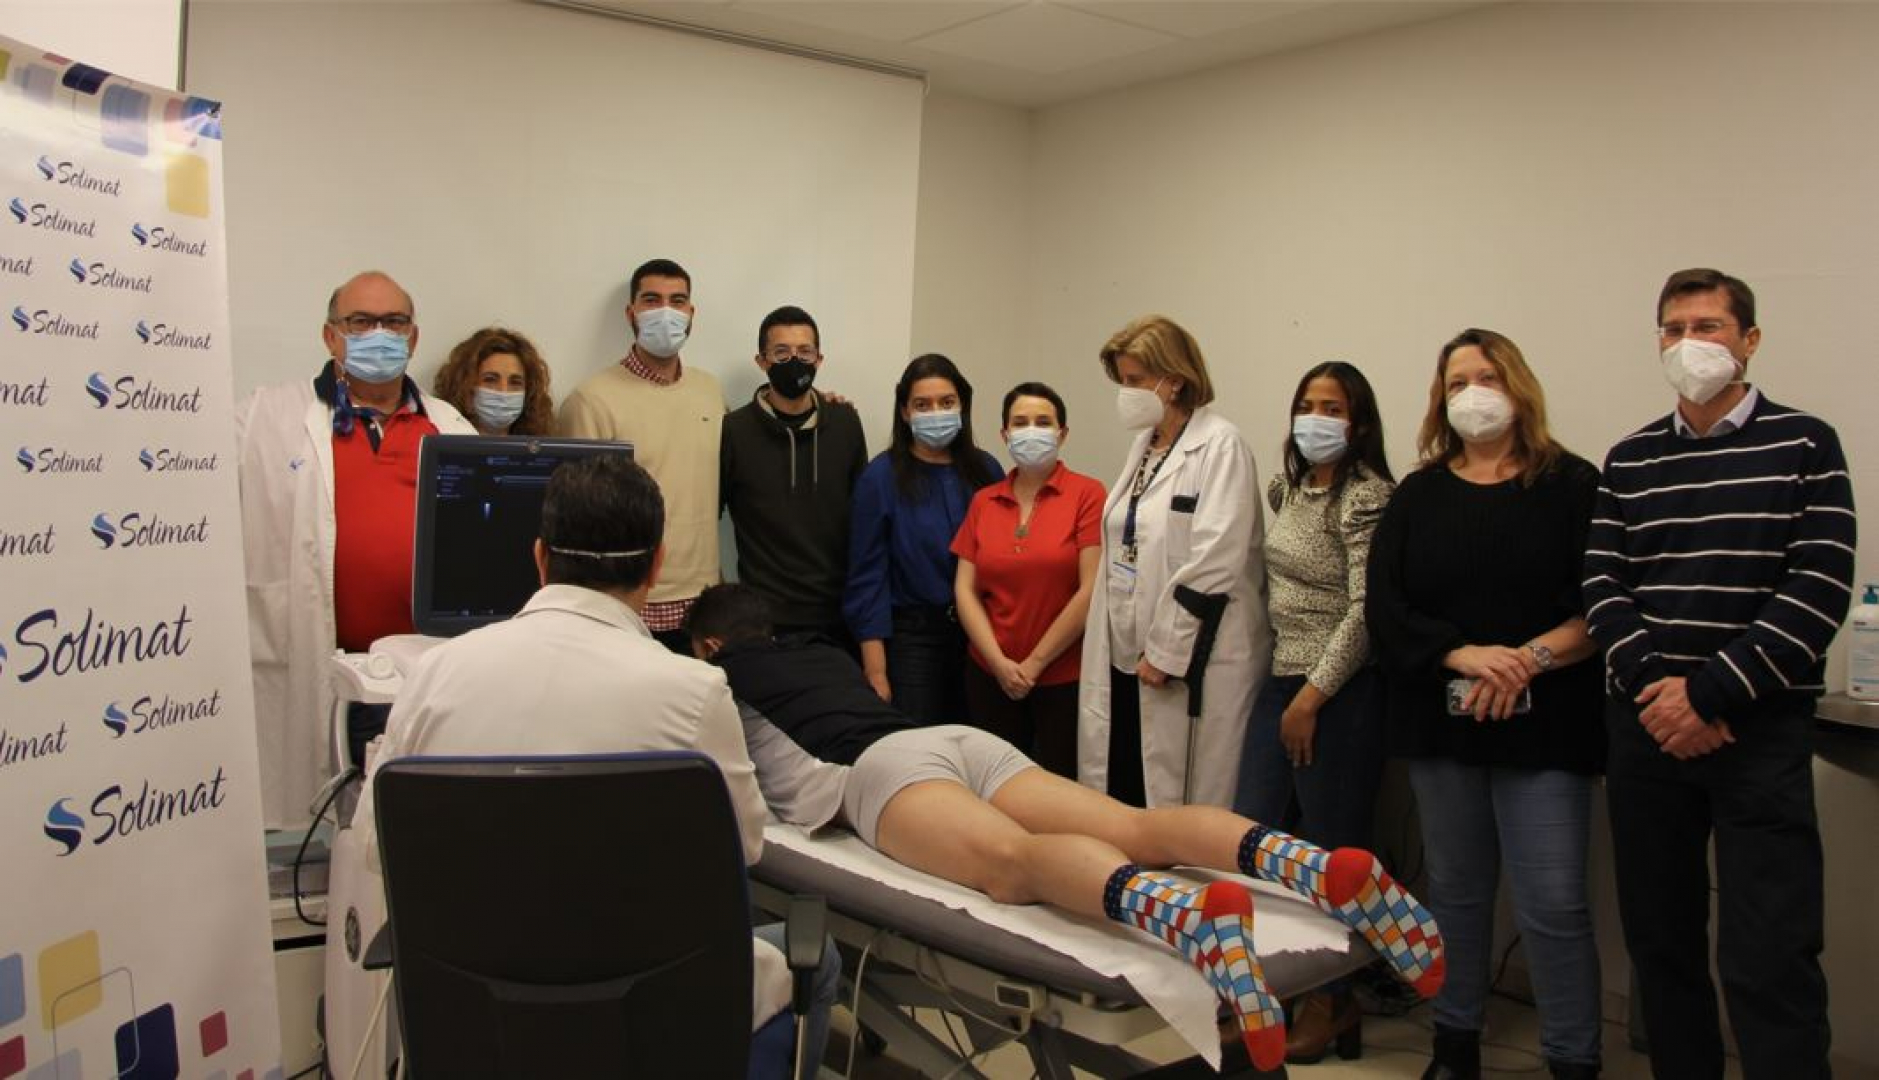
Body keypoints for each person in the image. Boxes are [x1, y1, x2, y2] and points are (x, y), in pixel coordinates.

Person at [688, 583, 1446, 1074]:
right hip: (954, 739)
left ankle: (1187, 918)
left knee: (1011, 863)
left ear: (711, 646)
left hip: (879, 772)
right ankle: (1315, 869)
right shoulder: (820, 652)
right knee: (1136, 824)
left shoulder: (717, 678)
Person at [355, 456, 841, 1079]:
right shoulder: (693, 692)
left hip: (482, 1017)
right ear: (657, 565)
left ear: (539, 556)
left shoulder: (434, 677)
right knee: (817, 958)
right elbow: (742, 848)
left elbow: (376, 846)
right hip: (649, 1013)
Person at [1583, 269, 1853, 1080]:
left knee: (1769, 948)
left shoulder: (1804, 443)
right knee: (1659, 944)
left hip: (1756, 730)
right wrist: (1659, 695)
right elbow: (1602, 587)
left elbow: (1817, 587)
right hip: (1645, 731)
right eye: (1672, 329)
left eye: (1706, 327)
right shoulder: (1628, 458)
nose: (1688, 343)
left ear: (1749, 340)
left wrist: (1705, 695)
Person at [1365, 329, 1604, 1080]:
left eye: (1488, 377)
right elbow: (1385, 606)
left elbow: (1603, 605)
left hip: (1549, 728)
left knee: (1553, 905)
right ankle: (1453, 1043)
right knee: (1456, 895)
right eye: (1457, 382)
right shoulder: (1418, 495)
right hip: (1444, 728)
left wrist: (1527, 660)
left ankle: (1572, 1059)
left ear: (1518, 386)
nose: (1473, 394)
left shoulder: (1573, 485)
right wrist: (1462, 654)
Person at [236, 269, 476, 828]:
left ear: (413, 336)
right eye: (361, 322)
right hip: (326, 666)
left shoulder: (448, 425)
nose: (379, 334)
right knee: (329, 828)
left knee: (417, 825)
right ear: (331, 336)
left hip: (421, 673)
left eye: (394, 322)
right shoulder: (267, 416)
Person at [1231, 361, 1394, 1064]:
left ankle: (1335, 998)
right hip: (1280, 678)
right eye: (1307, 404)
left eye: (1332, 408)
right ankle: (1271, 990)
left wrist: (1311, 697)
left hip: (1337, 692)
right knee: (1252, 835)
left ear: (1358, 423)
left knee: (1331, 853)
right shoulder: (1288, 488)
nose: (1316, 419)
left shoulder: (1367, 498)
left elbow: (1366, 611)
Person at [1080, 315, 1272, 808]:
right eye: (1123, 381)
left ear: (1175, 380)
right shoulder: (1145, 446)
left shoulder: (1221, 446)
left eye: (1136, 380)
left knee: (1187, 797)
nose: (1127, 393)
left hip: (1195, 658)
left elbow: (1216, 560)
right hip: (1127, 650)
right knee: (1126, 785)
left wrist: (1166, 651)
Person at [558, 258, 721, 653]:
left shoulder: (710, 391)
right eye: (652, 300)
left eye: (677, 301)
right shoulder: (592, 399)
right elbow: (579, 516)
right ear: (631, 313)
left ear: (691, 312)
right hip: (627, 603)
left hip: (704, 601)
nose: (666, 312)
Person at [951, 382, 1104, 778]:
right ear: (1004, 434)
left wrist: (1034, 664)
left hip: (1063, 676)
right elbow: (965, 590)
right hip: (989, 674)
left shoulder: (1088, 494)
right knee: (992, 785)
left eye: (1043, 422)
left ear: (1062, 433)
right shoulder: (984, 501)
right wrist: (998, 664)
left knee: (1059, 788)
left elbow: (1091, 589)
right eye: (1020, 423)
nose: (1031, 430)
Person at [844, 354, 1000, 724]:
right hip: (913, 640)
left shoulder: (987, 470)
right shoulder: (880, 477)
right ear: (904, 412)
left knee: (980, 740)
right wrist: (875, 670)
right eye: (922, 405)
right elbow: (867, 578)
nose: (936, 413)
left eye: (946, 402)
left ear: (963, 406)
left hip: (981, 635)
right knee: (921, 744)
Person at [720, 305, 868, 645]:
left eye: (805, 352)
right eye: (781, 353)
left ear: (819, 359)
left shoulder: (845, 422)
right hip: (763, 617)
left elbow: (863, 514)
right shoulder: (734, 430)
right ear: (762, 361)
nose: (795, 362)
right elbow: (712, 510)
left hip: (838, 613)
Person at [431, 326, 555, 437]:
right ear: (465, 387)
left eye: (515, 382)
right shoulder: (440, 445)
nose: (503, 391)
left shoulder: (539, 452)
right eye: (490, 380)